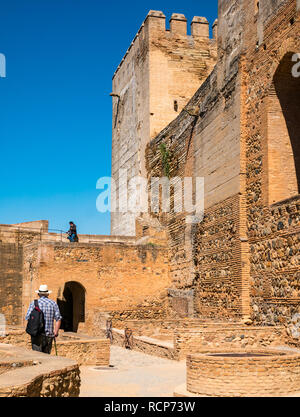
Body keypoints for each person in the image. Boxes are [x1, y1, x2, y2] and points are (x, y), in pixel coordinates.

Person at [25, 285, 62, 354]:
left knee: (37, 356)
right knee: (46, 357)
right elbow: (58, 319)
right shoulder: (53, 303)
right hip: (49, 335)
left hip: (37, 334)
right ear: (47, 294)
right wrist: (56, 332)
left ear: (38, 294)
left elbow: (27, 317)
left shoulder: (34, 303)